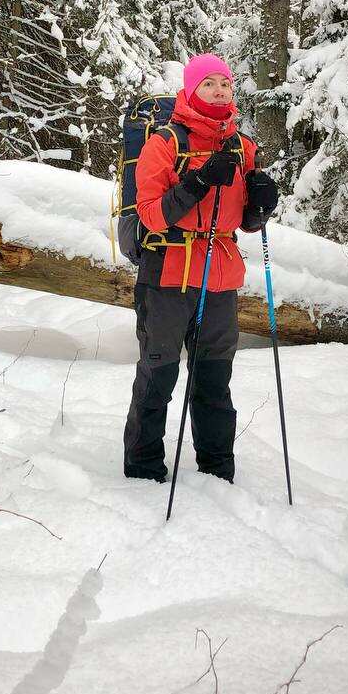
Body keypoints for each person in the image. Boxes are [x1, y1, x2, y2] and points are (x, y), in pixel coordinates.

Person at [123, 54, 278, 484]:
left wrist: (262, 204)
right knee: (159, 373)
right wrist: (197, 182)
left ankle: (216, 469)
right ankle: (143, 467)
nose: (219, 91)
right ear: (191, 90)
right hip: (167, 274)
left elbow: (246, 223)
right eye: (208, 83)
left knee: (214, 380)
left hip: (220, 276)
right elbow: (152, 215)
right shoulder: (165, 143)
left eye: (225, 84)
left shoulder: (243, 147)